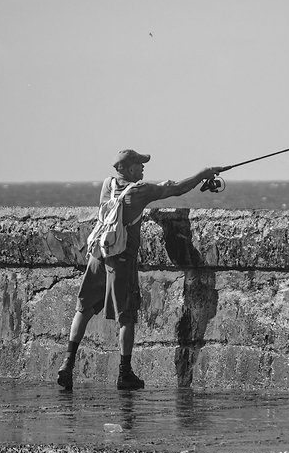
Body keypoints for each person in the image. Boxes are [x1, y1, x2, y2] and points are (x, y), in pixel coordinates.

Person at [57, 149, 225, 390]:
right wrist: (205, 173)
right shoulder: (140, 191)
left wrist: (157, 187)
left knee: (83, 309)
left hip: (99, 253)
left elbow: (127, 205)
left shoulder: (107, 185)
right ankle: (124, 373)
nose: (144, 168)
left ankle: (67, 364)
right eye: (140, 164)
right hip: (121, 258)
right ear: (129, 168)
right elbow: (176, 189)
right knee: (126, 316)